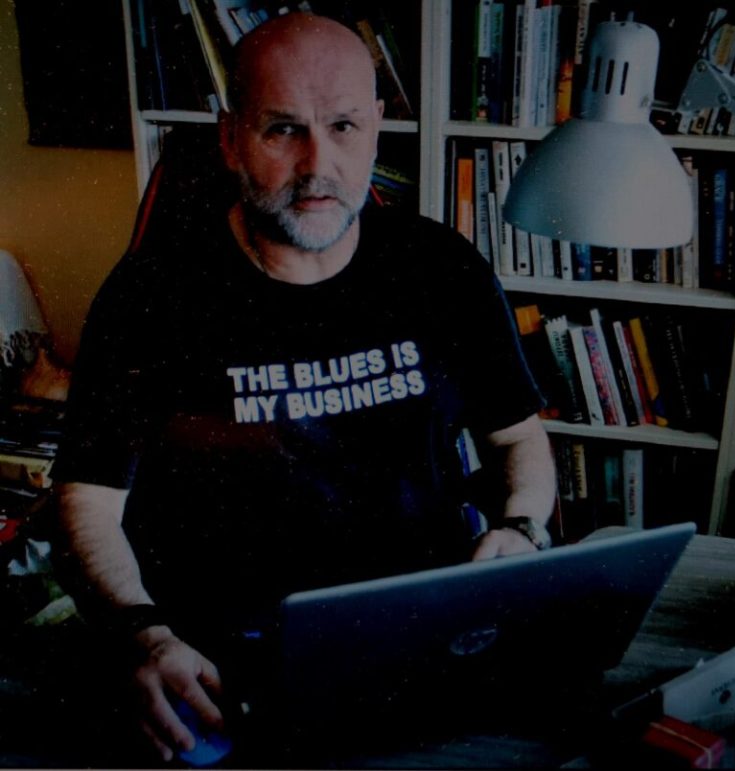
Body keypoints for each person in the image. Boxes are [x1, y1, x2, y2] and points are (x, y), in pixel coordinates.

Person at [52, 12, 556, 764]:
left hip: (425, 633)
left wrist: (523, 529)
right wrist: (141, 632)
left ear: (376, 128)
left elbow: (518, 438)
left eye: (343, 126)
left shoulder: (441, 269)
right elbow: (87, 502)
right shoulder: (150, 295)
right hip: (220, 661)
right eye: (283, 129)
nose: (318, 163)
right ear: (230, 139)